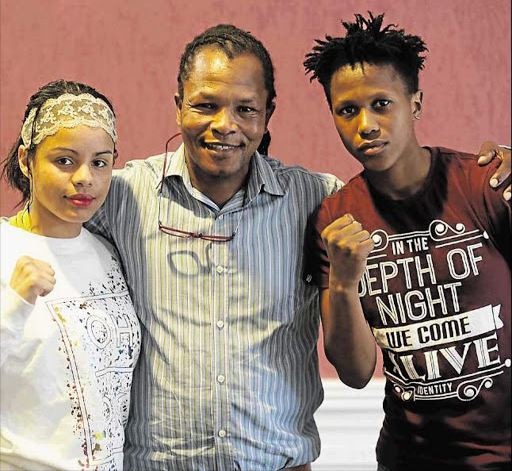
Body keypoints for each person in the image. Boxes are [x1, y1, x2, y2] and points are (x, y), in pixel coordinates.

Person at [84, 24, 511, 471]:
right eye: (206, 105)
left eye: (245, 109)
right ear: (178, 107)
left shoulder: (320, 201)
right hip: (161, 465)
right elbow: (38, 222)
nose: (224, 125)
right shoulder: (121, 197)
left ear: (267, 114)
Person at [304, 13, 510, 470]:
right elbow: (356, 375)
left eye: (382, 104)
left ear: (414, 105)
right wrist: (343, 281)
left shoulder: (484, 184)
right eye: (347, 110)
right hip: (410, 457)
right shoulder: (334, 219)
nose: (367, 125)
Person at [0, 80, 141, 471]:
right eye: (64, 160)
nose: (84, 178)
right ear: (28, 161)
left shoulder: (110, 253)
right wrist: (14, 305)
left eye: (100, 162)